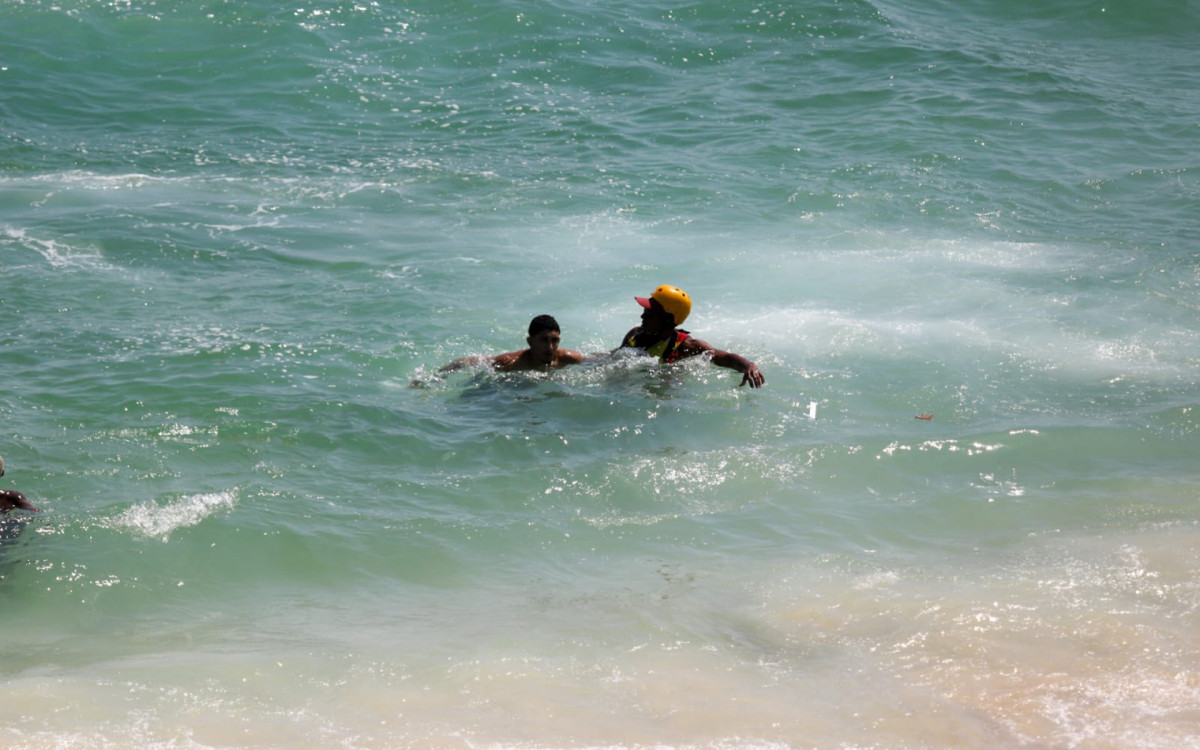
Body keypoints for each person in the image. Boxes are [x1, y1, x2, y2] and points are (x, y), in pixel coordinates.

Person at [616, 285, 765, 388]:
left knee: (668, 382)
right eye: (645, 310)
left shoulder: (685, 346)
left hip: (665, 384)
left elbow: (724, 357)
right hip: (637, 380)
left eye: (649, 314)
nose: (642, 316)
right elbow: (616, 357)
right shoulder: (635, 334)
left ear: (667, 320)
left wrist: (749, 366)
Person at [439, 314, 585, 373]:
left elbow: (596, 360)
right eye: (544, 340)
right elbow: (466, 362)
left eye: (555, 341)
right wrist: (439, 376)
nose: (550, 347)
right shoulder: (512, 362)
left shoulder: (567, 358)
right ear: (530, 342)